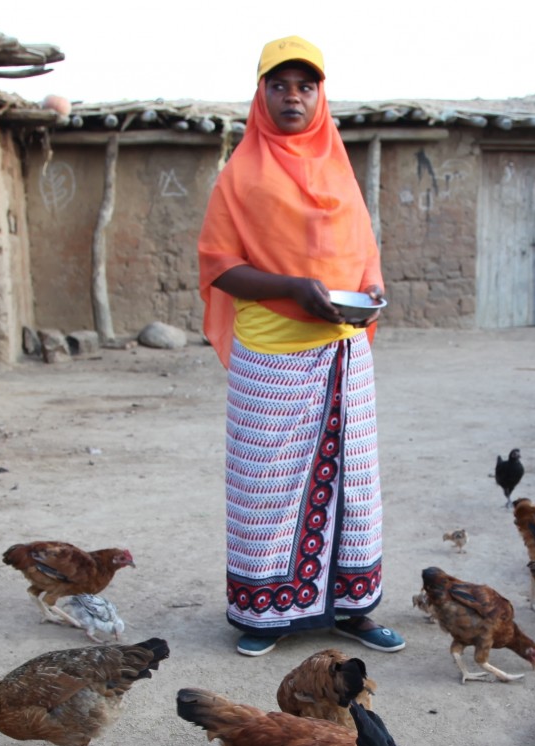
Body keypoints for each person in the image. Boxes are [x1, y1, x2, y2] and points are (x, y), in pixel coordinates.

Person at [198, 35, 405, 657]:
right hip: (272, 358)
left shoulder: (339, 170)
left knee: (354, 485)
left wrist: (368, 290)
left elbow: (362, 254)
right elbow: (218, 265)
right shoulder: (240, 175)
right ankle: (263, 613)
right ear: (260, 95)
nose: (293, 96)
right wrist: (291, 287)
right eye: (279, 85)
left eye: (305, 85)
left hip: (343, 352)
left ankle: (354, 609)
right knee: (267, 485)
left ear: (321, 94)